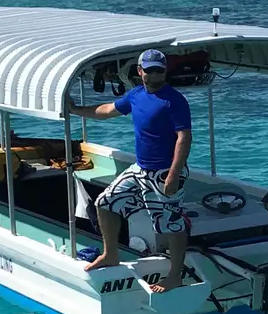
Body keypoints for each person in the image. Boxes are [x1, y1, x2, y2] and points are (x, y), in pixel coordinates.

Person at [66, 49, 194, 292]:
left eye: (159, 69)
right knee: (104, 203)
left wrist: (174, 174)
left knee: (171, 223)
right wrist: (75, 109)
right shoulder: (135, 95)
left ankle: (175, 275)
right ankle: (110, 253)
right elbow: (106, 110)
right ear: (140, 71)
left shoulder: (174, 100)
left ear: (165, 71)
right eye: (150, 69)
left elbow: (184, 138)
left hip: (165, 172)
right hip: (140, 169)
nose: (154, 74)